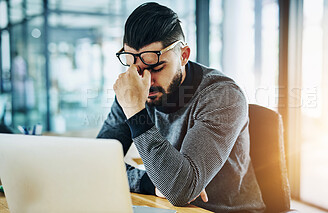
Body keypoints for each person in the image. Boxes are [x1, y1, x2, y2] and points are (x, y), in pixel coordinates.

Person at [97, 2, 265, 212]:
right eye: (135, 67)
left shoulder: (222, 95)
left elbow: (179, 190)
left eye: (156, 67)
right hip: (168, 208)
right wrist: (150, 183)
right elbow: (99, 164)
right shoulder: (134, 89)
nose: (144, 80)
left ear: (183, 55)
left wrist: (136, 113)